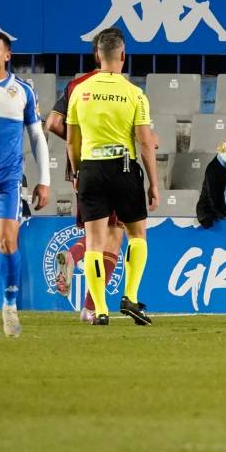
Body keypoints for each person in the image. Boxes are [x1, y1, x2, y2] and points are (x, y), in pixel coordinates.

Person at [65, 28, 158, 327]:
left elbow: (70, 141)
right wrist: (154, 183)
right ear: (122, 55)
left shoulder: (80, 91)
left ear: (97, 56)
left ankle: (100, 310)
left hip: (91, 168)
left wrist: (78, 171)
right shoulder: (134, 93)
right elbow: (145, 142)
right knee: (137, 235)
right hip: (124, 168)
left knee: (94, 242)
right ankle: (130, 296)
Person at [0, 31, 49, 337]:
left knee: (7, 241)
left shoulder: (22, 91)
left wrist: (45, 180)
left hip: (7, 180)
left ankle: (10, 307)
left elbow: (37, 136)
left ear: (6, 55)